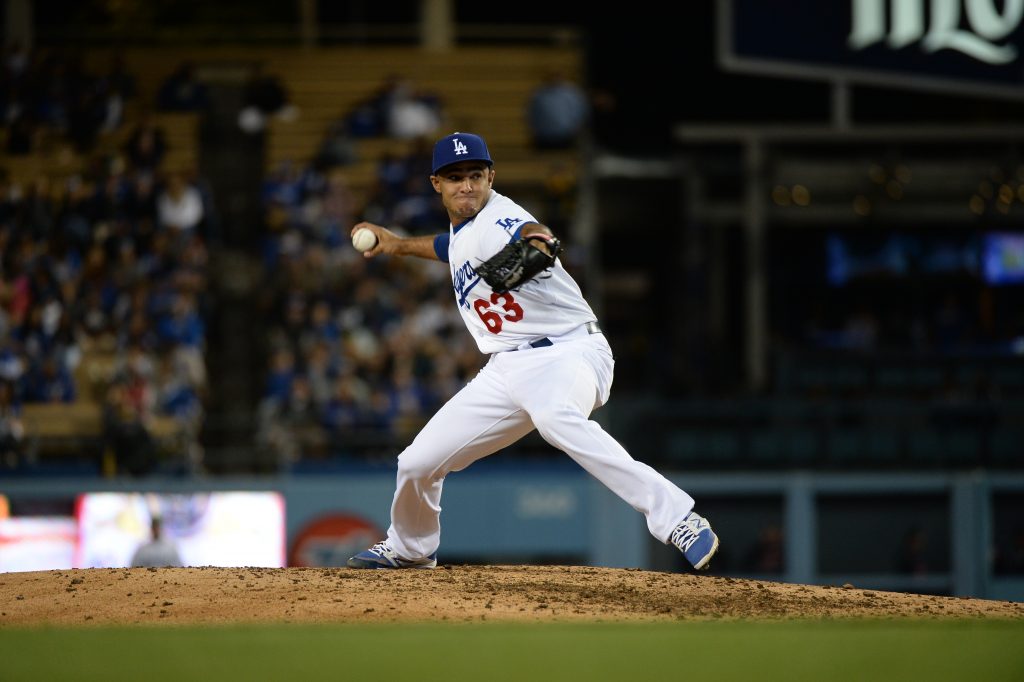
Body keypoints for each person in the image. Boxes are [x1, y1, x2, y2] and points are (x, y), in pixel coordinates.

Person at [346, 132, 719, 570]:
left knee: (554, 416)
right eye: (455, 177)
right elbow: (452, 248)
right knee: (417, 462)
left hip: (570, 351)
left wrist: (538, 247)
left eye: (475, 175)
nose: (466, 185)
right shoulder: (464, 229)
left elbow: (533, 234)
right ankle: (411, 548)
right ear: (437, 184)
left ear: (491, 177)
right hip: (508, 368)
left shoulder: (501, 216)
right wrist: (396, 243)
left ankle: (677, 518)